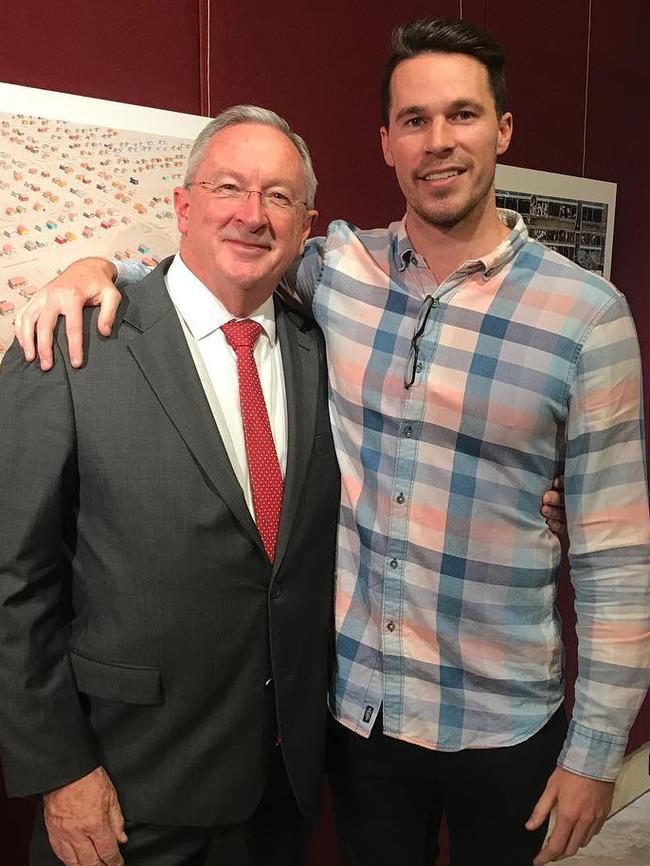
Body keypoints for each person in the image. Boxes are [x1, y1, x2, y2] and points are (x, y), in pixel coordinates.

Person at [14, 17, 635, 866]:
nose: (439, 141)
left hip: (505, 721)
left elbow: (616, 553)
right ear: (385, 142)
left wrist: (597, 749)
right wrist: (91, 270)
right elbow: (215, 265)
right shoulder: (340, 273)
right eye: (414, 120)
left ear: (504, 130)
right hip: (359, 723)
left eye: (462, 115)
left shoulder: (587, 315)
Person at [0, 106, 341, 866]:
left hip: (280, 785)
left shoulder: (325, 352)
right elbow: (11, 580)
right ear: (184, 206)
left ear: (307, 221)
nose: (252, 215)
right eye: (229, 187)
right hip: (124, 788)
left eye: (280, 197)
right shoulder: (68, 342)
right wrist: (60, 769)